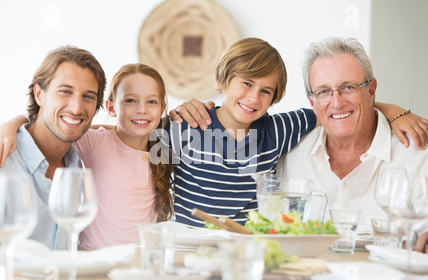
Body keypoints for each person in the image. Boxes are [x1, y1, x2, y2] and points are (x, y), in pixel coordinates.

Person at [168, 37, 428, 230]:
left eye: (266, 91)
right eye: (246, 83)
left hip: (242, 254)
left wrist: (393, 110)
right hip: (187, 247)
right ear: (221, 80)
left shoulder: (278, 131)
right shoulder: (188, 125)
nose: (253, 97)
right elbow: (136, 145)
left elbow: (336, 109)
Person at [0, 64, 174, 250]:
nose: (142, 109)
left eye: (152, 101)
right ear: (111, 107)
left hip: (138, 263)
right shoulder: (96, 142)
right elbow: (56, 124)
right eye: (130, 100)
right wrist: (11, 124)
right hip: (92, 262)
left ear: (162, 107)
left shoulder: (163, 149)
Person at [274, 37, 427, 251]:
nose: (337, 102)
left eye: (348, 87)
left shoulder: (417, 153)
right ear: (312, 101)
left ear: (371, 90)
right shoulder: (290, 150)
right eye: (324, 91)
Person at [0, 45, 107, 251]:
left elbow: (133, 129)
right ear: (39, 94)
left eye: (88, 96)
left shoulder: (80, 167)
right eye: (65, 91)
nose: (76, 108)